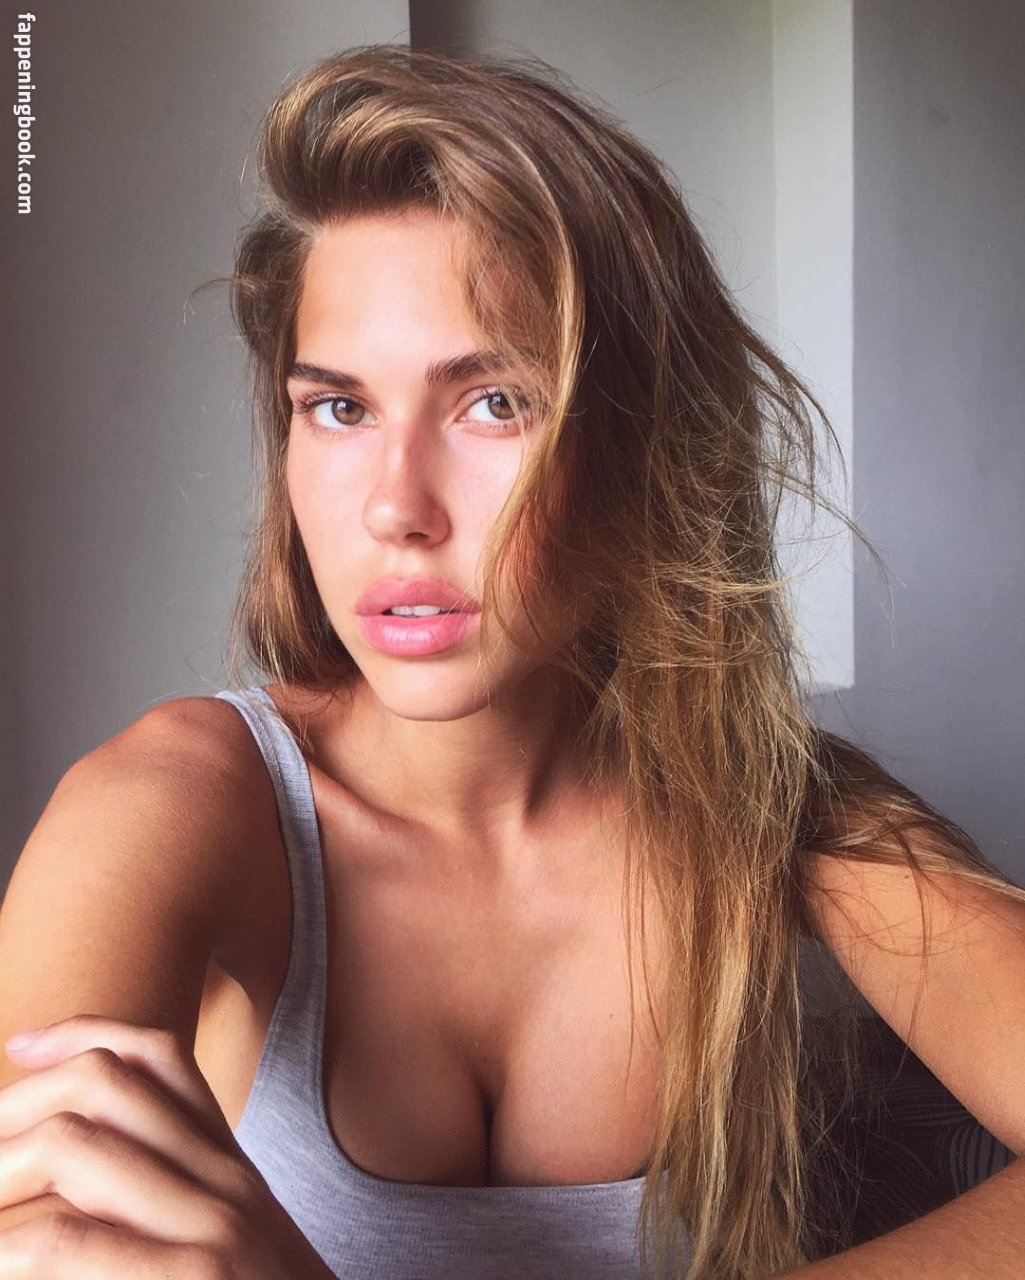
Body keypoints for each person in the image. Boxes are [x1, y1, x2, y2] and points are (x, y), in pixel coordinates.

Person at [0, 43, 1023, 1280]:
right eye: (339, 406)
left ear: (642, 446)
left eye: (495, 402)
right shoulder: (176, 801)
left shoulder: (770, 805)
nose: (396, 507)